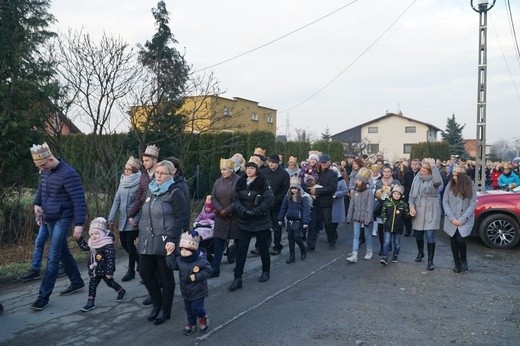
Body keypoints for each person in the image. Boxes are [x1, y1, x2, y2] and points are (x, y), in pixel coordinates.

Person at [29, 143, 86, 311]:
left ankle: (43, 297)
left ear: (49, 158)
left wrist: (79, 224)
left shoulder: (68, 174)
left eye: (42, 165)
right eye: (38, 166)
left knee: (53, 256)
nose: (41, 169)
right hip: (49, 216)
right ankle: (76, 281)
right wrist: (36, 204)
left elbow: (78, 200)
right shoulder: (45, 171)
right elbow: (42, 189)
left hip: (63, 217)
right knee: (62, 251)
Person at [137, 160, 188, 325]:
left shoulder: (175, 192)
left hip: (166, 239)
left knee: (165, 277)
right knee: (145, 272)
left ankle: (166, 309)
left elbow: (182, 218)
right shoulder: (151, 190)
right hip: (147, 239)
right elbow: (144, 212)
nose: (158, 176)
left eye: (162, 173)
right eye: (157, 173)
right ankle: (157, 304)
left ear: (171, 175)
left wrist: (174, 240)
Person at [228, 160, 274, 291]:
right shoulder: (241, 182)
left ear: (257, 170)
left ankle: (266, 270)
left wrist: (256, 212)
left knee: (263, 247)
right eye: (247, 167)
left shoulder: (263, 182)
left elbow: (269, 200)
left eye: (252, 168)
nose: (249, 170)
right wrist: (243, 211)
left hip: (260, 221)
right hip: (244, 221)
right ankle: (237, 278)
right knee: (241, 250)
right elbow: (236, 199)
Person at [76, 217, 126, 312]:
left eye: (96, 233)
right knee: (92, 285)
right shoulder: (92, 243)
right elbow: (85, 248)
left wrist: (109, 271)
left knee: (110, 283)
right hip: (95, 270)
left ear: (102, 233)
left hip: (105, 270)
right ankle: (90, 302)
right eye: (92, 234)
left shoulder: (107, 244)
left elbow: (111, 259)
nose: (94, 236)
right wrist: (79, 239)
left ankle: (121, 290)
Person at [165, 231, 211, 335]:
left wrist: (196, 277)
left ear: (193, 250)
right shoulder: (180, 260)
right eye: (181, 249)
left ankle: (202, 317)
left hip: (198, 290)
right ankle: (191, 324)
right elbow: (171, 265)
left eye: (187, 250)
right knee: (189, 309)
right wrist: (169, 254)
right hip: (186, 290)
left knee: (197, 308)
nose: (183, 252)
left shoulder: (201, 260)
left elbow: (208, 271)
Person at [107, 156, 142, 282]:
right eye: (125, 169)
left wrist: (136, 218)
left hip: (133, 220)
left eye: (129, 169)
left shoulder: (140, 182)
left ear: (134, 170)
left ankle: (131, 270)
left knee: (130, 245)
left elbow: (141, 203)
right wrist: (111, 217)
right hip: (122, 219)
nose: (126, 171)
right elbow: (117, 200)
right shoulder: (123, 181)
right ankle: (140, 262)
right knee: (124, 244)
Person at [409, 158, 442, 270]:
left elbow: (438, 183)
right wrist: (411, 206)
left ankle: (430, 260)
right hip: (418, 209)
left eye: (424, 170)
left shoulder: (434, 178)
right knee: (418, 235)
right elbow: (411, 194)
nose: (421, 172)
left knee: (430, 236)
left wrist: (434, 167)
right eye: (421, 169)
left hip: (431, 210)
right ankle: (420, 252)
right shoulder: (417, 178)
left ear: (429, 171)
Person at [442, 165, 477, 273]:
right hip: (451, 218)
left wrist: (462, 219)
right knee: (453, 241)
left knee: (461, 240)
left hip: (465, 219)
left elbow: (472, 204)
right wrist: (451, 218)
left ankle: (463, 260)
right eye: (453, 175)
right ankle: (456, 262)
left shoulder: (470, 186)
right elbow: (445, 202)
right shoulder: (450, 184)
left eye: (456, 175)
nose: (454, 177)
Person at [210, 158, 240, 277]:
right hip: (220, 217)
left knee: (238, 241)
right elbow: (213, 197)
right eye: (221, 170)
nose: (223, 172)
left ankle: (239, 265)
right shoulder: (217, 182)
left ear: (231, 170)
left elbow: (238, 198)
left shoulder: (239, 181)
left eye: (225, 170)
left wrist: (227, 210)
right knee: (218, 242)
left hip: (235, 217)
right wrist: (220, 210)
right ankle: (215, 268)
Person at [306, 154, 340, 250]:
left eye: (325, 162)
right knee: (312, 223)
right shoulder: (316, 172)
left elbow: (332, 188)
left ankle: (331, 241)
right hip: (315, 202)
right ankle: (311, 245)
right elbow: (308, 183)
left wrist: (317, 191)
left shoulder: (332, 173)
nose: (323, 164)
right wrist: (310, 189)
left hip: (325, 203)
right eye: (322, 162)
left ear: (329, 162)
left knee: (327, 223)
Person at [277, 177, 310, 263]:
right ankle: (292, 256)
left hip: (298, 221)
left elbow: (306, 210)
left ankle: (303, 249)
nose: (294, 190)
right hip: (290, 220)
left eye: (295, 188)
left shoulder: (303, 197)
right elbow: (283, 208)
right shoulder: (287, 197)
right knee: (290, 238)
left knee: (296, 237)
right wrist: (280, 218)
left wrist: (305, 222)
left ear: (299, 188)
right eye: (292, 188)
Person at [346, 167, 374, 263]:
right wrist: (349, 217)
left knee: (367, 235)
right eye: (356, 179)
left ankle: (369, 251)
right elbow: (351, 206)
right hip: (357, 217)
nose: (356, 181)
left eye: (358, 180)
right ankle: (354, 254)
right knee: (356, 235)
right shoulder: (355, 192)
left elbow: (370, 207)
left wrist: (367, 220)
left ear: (363, 181)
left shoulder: (369, 192)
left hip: (366, 218)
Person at [264, 154, 290, 255]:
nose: (271, 164)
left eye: (274, 163)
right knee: (265, 225)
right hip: (266, 203)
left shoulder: (284, 174)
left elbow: (285, 189)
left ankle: (277, 245)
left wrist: (276, 200)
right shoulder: (265, 172)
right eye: (270, 162)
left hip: (277, 204)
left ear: (278, 163)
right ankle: (265, 244)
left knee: (277, 226)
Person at [379, 185, 410, 265]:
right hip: (388, 227)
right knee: (387, 242)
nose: (396, 195)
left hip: (398, 228)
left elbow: (406, 216)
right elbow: (383, 213)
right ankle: (385, 257)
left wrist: (411, 214)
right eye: (395, 193)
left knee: (397, 243)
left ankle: (395, 255)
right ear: (392, 194)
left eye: (398, 194)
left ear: (401, 195)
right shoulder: (387, 203)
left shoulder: (403, 205)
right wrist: (385, 221)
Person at [402, 159, 420, 236]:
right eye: (413, 164)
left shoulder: (421, 173)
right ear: (411, 165)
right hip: (408, 195)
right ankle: (408, 230)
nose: (415, 165)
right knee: (408, 214)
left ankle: (416, 230)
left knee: (418, 214)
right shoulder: (407, 173)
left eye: (416, 164)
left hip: (418, 196)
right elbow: (404, 184)